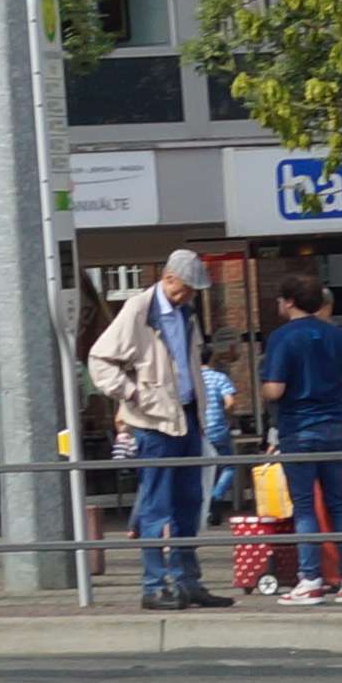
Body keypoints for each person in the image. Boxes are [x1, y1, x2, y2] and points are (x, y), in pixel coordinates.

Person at [87, 249, 219, 607]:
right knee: (157, 505)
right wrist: (132, 394)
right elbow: (100, 359)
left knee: (188, 503)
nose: (190, 294)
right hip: (154, 421)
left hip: (186, 417)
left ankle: (186, 580)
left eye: (194, 289)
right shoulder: (139, 310)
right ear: (168, 277)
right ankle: (154, 585)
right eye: (186, 287)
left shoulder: (186, 313)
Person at [261, 279, 342, 605]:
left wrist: (264, 387)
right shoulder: (337, 334)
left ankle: (310, 580)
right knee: (339, 503)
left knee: (305, 505)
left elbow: (275, 390)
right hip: (334, 426)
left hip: (298, 428)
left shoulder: (282, 338)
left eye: (281, 299)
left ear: (290, 301)